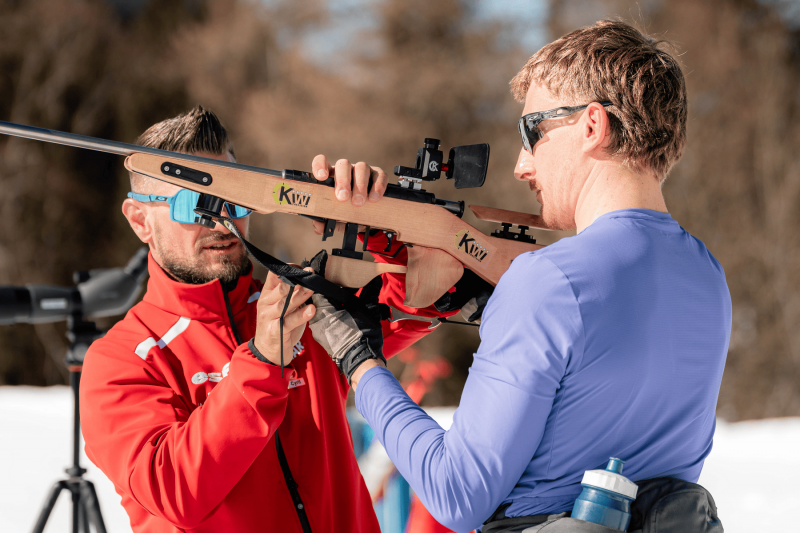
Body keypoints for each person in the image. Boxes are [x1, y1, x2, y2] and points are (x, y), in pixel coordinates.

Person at [309, 20, 731, 533]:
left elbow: (456, 493)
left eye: (532, 131)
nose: (521, 165)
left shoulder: (549, 280)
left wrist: (358, 360)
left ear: (592, 126)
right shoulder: (707, 275)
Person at [79, 106, 449, 532]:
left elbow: (421, 302)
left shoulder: (299, 304)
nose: (222, 220)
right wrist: (262, 360)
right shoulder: (122, 359)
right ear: (140, 220)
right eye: (196, 205)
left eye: (235, 198)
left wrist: (382, 228)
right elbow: (174, 489)